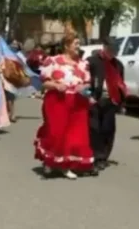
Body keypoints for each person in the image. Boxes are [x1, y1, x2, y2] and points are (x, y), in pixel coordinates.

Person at [34, 33, 97, 180]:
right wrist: (56, 85)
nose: (78, 46)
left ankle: (66, 165)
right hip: (57, 101)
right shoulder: (53, 61)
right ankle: (49, 161)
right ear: (66, 46)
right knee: (56, 132)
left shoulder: (83, 64)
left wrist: (84, 88)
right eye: (75, 43)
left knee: (74, 135)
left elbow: (87, 83)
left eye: (78, 43)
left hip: (77, 102)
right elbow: (43, 83)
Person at [86, 38, 126, 170]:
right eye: (111, 49)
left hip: (111, 101)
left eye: (115, 49)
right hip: (95, 100)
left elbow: (121, 85)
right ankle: (95, 157)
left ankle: (103, 157)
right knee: (95, 129)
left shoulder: (118, 65)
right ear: (104, 47)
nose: (113, 52)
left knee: (108, 130)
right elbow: (85, 80)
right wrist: (88, 95)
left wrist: (121, 104)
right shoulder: (93, 62)